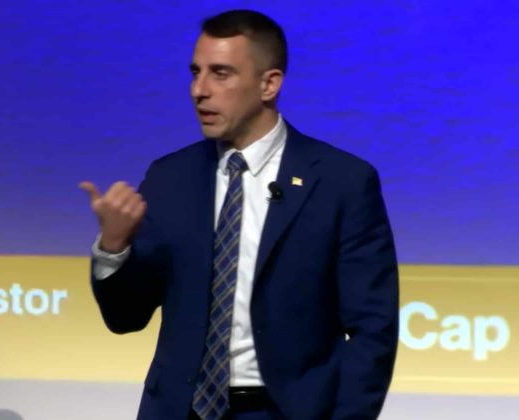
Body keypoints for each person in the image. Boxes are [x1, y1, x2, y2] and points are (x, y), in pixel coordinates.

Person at [80, 9, 399, 420]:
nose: (199, 90)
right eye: (195, 73)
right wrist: (114, 247)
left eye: (221, 74)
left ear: (269, 84)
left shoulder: (341, 182)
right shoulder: (169, 178)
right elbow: (126, 317)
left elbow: (373, 327)